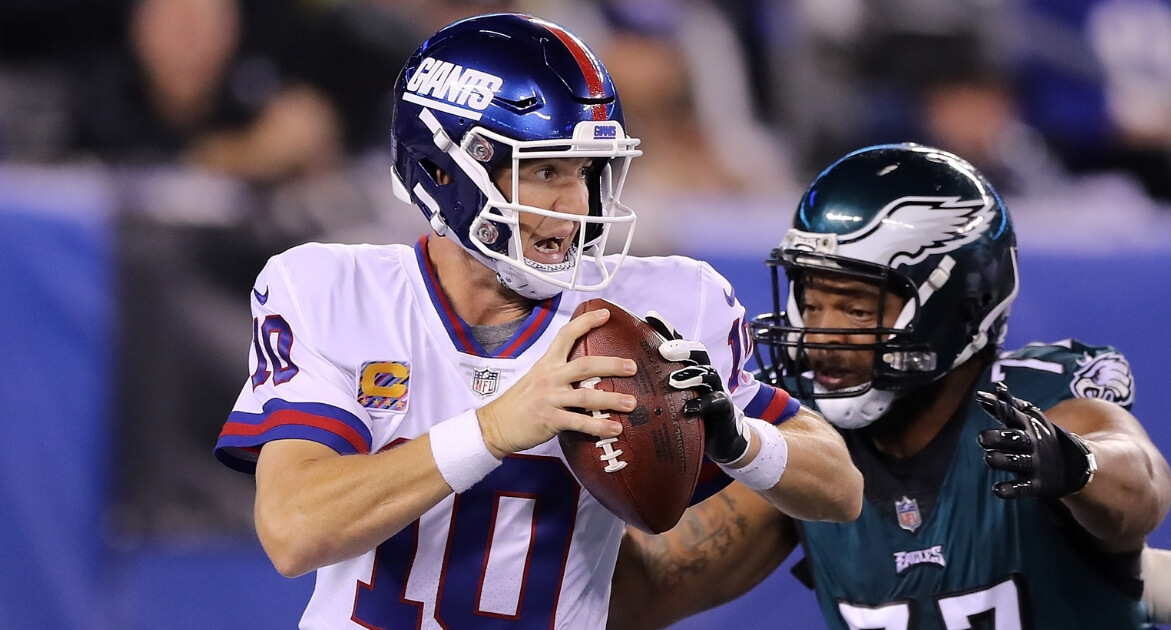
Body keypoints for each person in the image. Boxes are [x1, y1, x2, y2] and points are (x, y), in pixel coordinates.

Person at [212, 13, 862, 629]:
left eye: (587, 172)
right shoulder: (335, 291)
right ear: (444, 170)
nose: (577, 202)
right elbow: (294, 530)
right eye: (546, 170)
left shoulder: (664, 304)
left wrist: (741, 440)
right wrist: (495, 429)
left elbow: (839, 486)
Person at [608, 142, 1171, 629]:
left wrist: (1077, 467)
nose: (819, 337)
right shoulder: (809, 451)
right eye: (811, 301)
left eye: (855, 310)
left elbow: (1142, 489)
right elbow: (643, 593)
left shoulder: (1031, 410)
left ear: (962, 307)